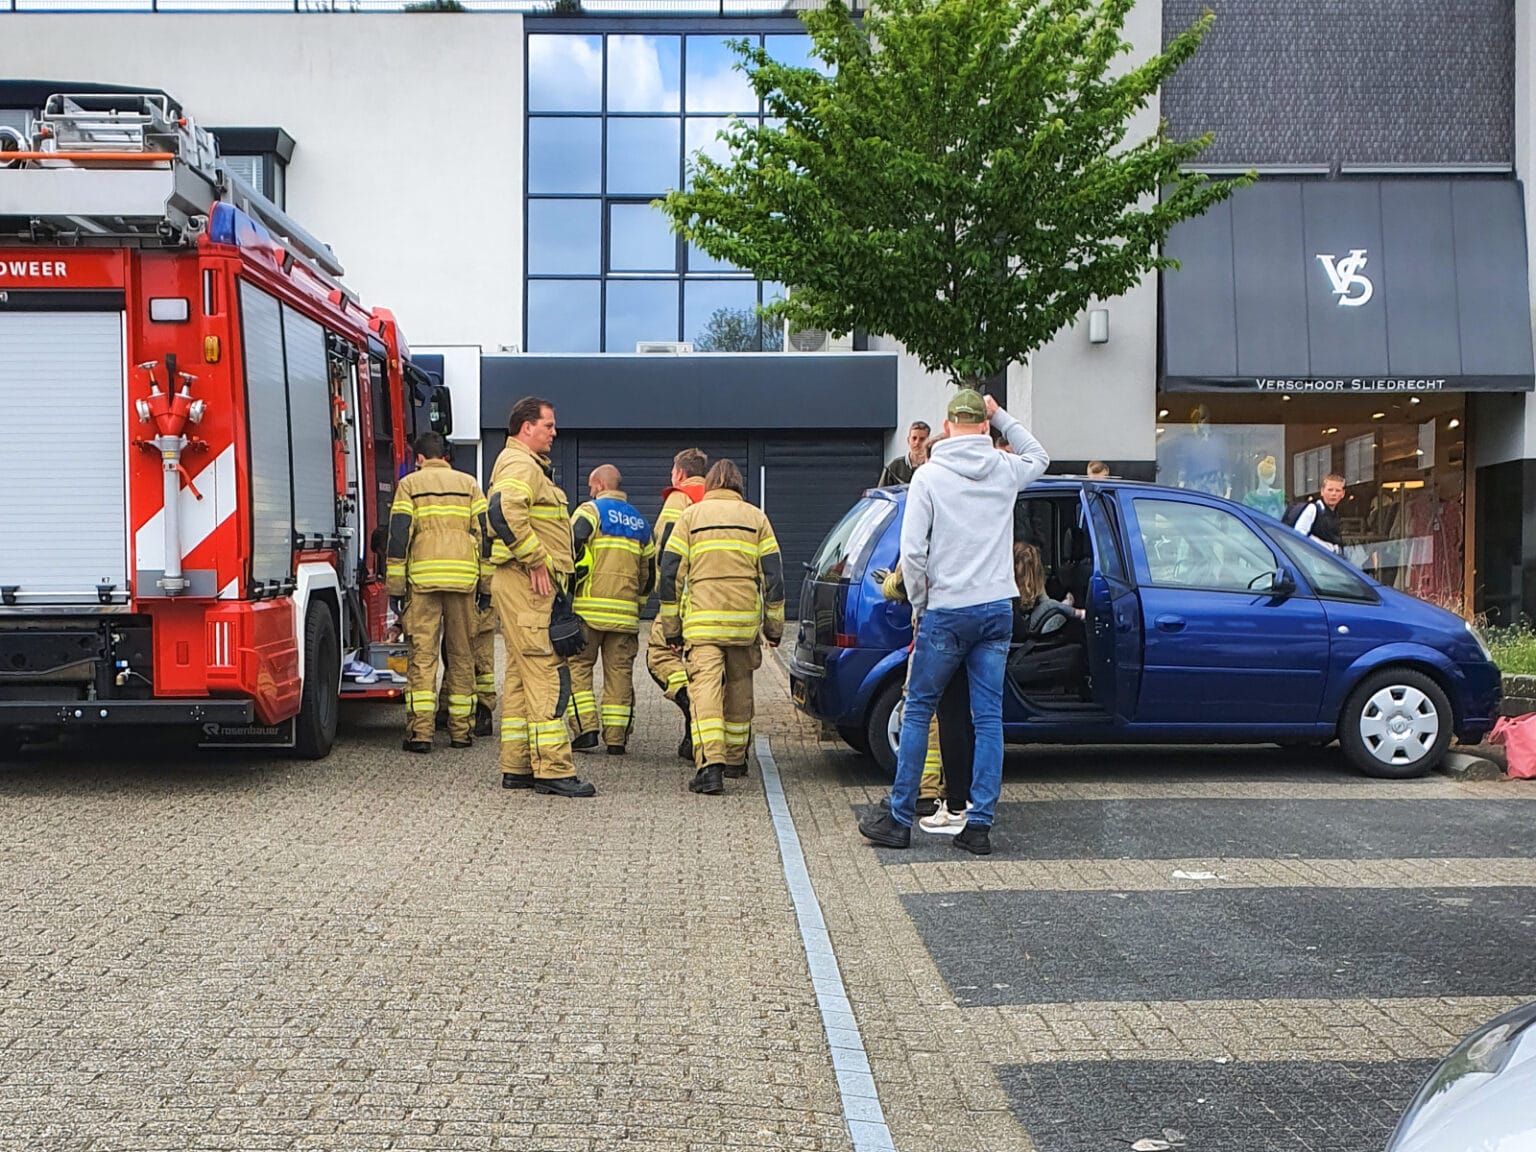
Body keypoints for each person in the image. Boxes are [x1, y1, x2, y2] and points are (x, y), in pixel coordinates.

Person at [858, 389, 1048, 855]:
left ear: (946, 428)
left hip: (946, 609)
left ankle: (900, 818)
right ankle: (978, 825)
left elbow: (915, 553)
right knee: (988, 720)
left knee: (920, 709)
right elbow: (1039, 455)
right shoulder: (1004, 469)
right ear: (983, 427)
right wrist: (1000, 412)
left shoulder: (928, 477)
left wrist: (921, 603)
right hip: (996, 609)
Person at [486, 396, 595, 798]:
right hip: (529, 585)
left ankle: (517, 767)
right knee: (548, 672)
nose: (554, 432)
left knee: (520, 676)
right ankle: (553, 770)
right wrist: (535, 559)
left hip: (522, 585)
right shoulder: (519, 464)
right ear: (525, 427)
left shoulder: (525, 466)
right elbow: (502, 510)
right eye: (548, 425)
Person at [658, 459, 784, 796]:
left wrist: (672, 627)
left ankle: (709, 768)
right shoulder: (757, 518)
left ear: (711, 485)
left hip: (702, 625)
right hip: (743, 626)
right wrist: (774, 627)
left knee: (706, 692)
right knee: (740, 688)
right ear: (739, 486)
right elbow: (774, 577)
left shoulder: (690, 517)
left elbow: (669, 573)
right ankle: (735, 760)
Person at [385, 432, 489, 753]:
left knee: (423, 657)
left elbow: (399, 537)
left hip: (424, 582)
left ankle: (421, 734)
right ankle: (461, 733)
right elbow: (485, 535)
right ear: (444, 455)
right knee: (461, 656)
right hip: (463, 581)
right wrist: (486, 586)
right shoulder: (470, 484)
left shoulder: (410, 486)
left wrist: (395, 588)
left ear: (419, 458)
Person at [567, 464, 654, 756]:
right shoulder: (641, 523)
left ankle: (585, 729)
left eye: (592, 486)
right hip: (624, 615)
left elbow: (570, 548)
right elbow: (649, 575)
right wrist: (636, 606)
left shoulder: (589, 512)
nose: (591, 491)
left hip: (587, 611)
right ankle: (616, 739)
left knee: (577, 667)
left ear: (600, 485)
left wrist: (569, 593)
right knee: (620, 674)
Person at [647, 448, 709, 760]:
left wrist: (663, 593)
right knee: (705, 670)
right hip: (715, 602)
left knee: (659, 657)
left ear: (680, 474)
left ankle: (688, 701)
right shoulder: (719, 499)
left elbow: (665, 552)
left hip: (683, 599)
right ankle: (698, 740)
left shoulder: (679, 497)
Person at [1287, 473, 1346, 554]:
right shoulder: (1312, 509)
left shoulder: (1335, 513)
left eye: (1337, 490)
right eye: (1330, 490)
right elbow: (1299, 536)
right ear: (1322, 491)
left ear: (1343, 494)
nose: (1333, 494)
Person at [878, 421, 931, 487]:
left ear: (928, 442)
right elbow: (881, 493)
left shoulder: (932, 467)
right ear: (908, 440)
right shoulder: (893, 467)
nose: (917, 442)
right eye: (914, 438)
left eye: (922, 439)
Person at [1243, 454, 1286, 521]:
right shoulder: (1249, 499)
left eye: (1273, 473)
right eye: (1268, 473)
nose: (1273, 476)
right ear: (1259, 473)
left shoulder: (1278, 496)